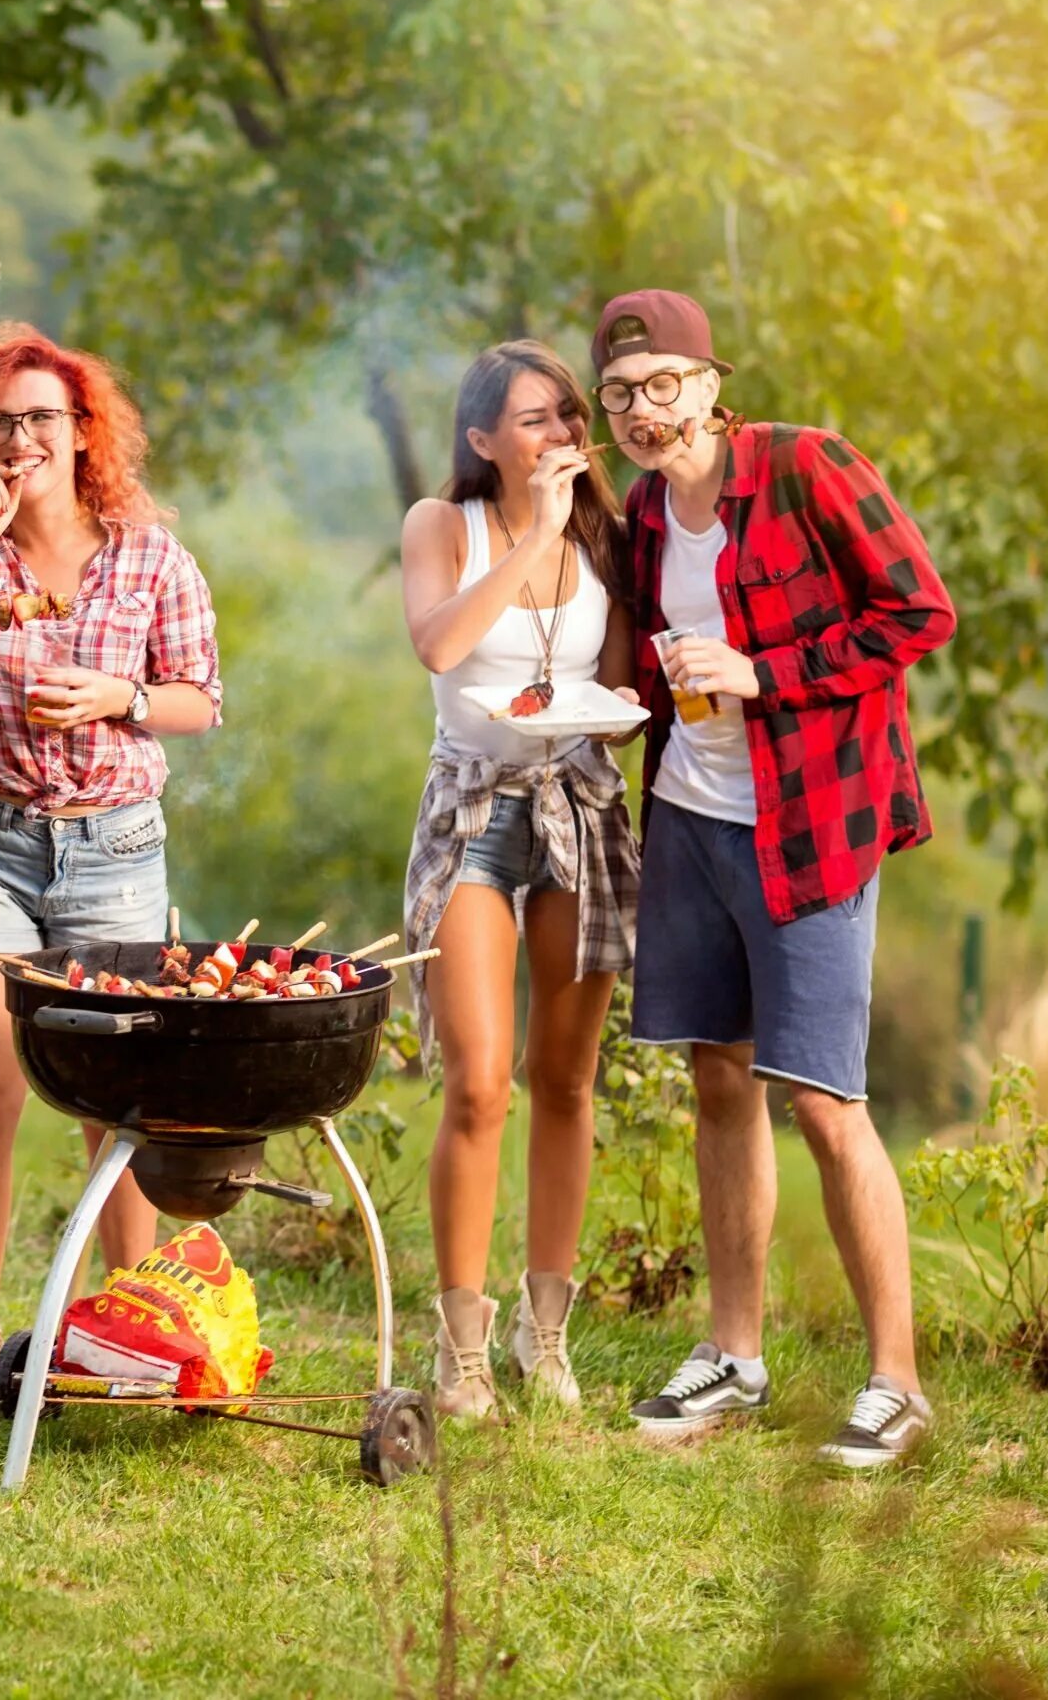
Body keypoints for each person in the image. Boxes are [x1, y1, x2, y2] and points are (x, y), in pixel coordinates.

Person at [591, 290, 956, 1468]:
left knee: (822, 1103)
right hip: (692, 818)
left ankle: (895, 1384)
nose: (643, 413)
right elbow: (657, 668)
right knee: (718, 1080)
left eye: (661, 387)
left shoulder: (806, 468)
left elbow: (918, 613)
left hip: (811, 826)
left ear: (709, 380)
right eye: (619, 398)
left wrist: (766, 672)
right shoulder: (645, 515)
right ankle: (733, 1357)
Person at [0, 324, 223, 1405]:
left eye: (43, 418)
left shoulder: (147, 553)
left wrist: (116, 696)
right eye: (2, 421)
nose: (22, 437)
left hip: (114, 845)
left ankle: (119, 1337)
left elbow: (197, 698)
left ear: (84, 433)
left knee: (116, 1105)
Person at [398, 342, 641, 1421]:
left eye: (566, 417)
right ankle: (460, 1350)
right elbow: (440, 647)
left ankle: (548, 1341)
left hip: (579, 806)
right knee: (478, 1079)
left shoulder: (609, 536)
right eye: (533, 421)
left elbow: (622, 686)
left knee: (567, 1077)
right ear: (482, 438)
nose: (558, 438)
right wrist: (533, 531)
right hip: (472, 816)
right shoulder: (441, 527)